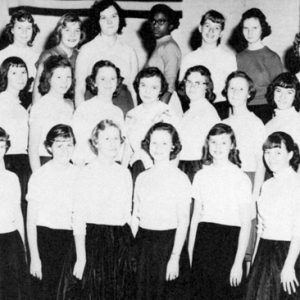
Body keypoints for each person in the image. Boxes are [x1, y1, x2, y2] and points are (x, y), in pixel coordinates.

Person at [57, 120, 135, 299]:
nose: (113, 143)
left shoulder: (124, 173)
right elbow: (78, 218)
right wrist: (82, 257)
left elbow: (127, 215)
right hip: (93, 243)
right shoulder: (86, 172)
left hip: (120, 244)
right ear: (96, 142)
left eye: (116, 139)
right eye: (107, 138)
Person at [189, 123, 252, 299]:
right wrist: (191, 254)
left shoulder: (241, 178)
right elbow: (195, 219)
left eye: (223, 142)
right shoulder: (201, 175)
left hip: (229, 243)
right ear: (207, 144)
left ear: (232, 145)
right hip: (204, 241)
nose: (218, 147)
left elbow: (246, 223)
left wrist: (238, 262)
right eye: (213, 142)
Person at [132, 122, 191, 299]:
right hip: (144, 246)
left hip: (168, 245)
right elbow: (135, 215)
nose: (158, 148)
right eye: (154, 142)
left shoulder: (180, 179)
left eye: (164, 143)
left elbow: (183, 221)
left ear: (173, 146)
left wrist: (174, 257)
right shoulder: (142, 177)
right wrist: (133, 250)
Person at [245, 132, 300, 299]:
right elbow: (260, 227)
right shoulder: (267, 185)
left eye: (278, 152)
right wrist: (255, 262)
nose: (271, 157)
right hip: (264, 251)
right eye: (267, 152)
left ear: (290, 154)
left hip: (289, 253)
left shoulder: (296, 185)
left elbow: (298, 229)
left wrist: (289, 265)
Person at [26, 124, 78, 300]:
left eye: (69, 144)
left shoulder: (80, 174)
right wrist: (34, 257)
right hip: (46, 242)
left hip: (72, 242)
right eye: (59, 145)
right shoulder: (40, 175)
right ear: (49, 147)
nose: (65, 150)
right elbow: (31, 221)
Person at [75, 0, 138, 110]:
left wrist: (136, 116)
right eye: (103, 18)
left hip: (124, 106)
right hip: (94, 107)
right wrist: (82, 115)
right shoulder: (86, 50)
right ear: (97, 21)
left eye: (114, 16)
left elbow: (132, 89)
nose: (110, 22)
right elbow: (79, 88)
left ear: (120, 18)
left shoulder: (129, 51)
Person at [125, 67, 180, 182]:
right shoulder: (131, 114)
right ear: (137, 86)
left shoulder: (167, 113)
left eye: (154, 87)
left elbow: (176, 148)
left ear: (161, 90)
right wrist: (122, 173)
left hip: (161, 170)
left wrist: (171, 174)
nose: (147, 91)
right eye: (143, 85)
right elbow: (127, 148)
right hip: (136, 168)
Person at [179, 10, 237, 119]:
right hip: (194, 107)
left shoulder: (229, 58)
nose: (211, 31)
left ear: (221, 33)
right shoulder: (189, 58)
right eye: (207, 26)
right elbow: (182, 89)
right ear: (200, 28)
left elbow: (232, 89)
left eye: (216, 28)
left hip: (220, 107)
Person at [72, 60, 124, 166]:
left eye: (112, 79)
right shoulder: (85, 108)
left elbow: (120, 146)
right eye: (103, 79)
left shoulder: (118, 112)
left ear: (117, 82)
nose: (108, 83)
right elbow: (78, 144)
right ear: (94, 82)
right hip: (89, 166)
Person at [236, 8, 283, 124]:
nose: (250, 32)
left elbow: (279, 92)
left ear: (262, 29)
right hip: (242, 108)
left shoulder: (272, 57)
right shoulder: (237, 57)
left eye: (254, 28)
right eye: (246, 28)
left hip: (265, 110)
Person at [29, 55, 74, 172]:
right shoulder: (40, 106)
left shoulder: (70, 106)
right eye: (59, 77)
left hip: (67, 163)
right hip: (46, 163)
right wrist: (38, 177)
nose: (64, 82)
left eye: (68, 77)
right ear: (49, 78)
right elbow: (33, 148)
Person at [0, 127, 30, 299]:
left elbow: (18, 213)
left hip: (10, 242)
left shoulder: (12, 178)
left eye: (1, 146)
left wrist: (24, 246)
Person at [178, 65, 220, 182]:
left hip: (197, 167)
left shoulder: (208, 112)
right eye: (189, 82)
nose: (191, 86)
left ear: (207, 87)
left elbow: (212, 147)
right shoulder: (189, 111)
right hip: (185, 164)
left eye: (197, 83)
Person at [0, 56, 31, 214]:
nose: (20, 77)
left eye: (23, 72)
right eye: (14, 73)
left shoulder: (20, 105)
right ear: (5, 75)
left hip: (22, 161)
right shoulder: (2, 101)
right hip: (8, 161)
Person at [33, 13, 84, 104]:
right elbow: (37, 88)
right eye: (67, 30)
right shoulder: (48, 55)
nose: (72, 35)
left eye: (77, 31)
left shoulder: (80, 55)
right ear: (60, 32)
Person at [0, 9, 40, 108]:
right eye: (19, 28)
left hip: (31, 103)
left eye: (28, 28)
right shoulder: (2, 54)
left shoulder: (37, 57)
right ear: (12, 30)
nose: (24, 32)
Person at [146, 4, 181, 104]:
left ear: (171, 25)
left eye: (161, 21)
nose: (156, 25)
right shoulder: (160, 44)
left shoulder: (169, 46)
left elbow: (170, 85)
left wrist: (158, 110)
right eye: (153, 21)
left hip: (164, 102)